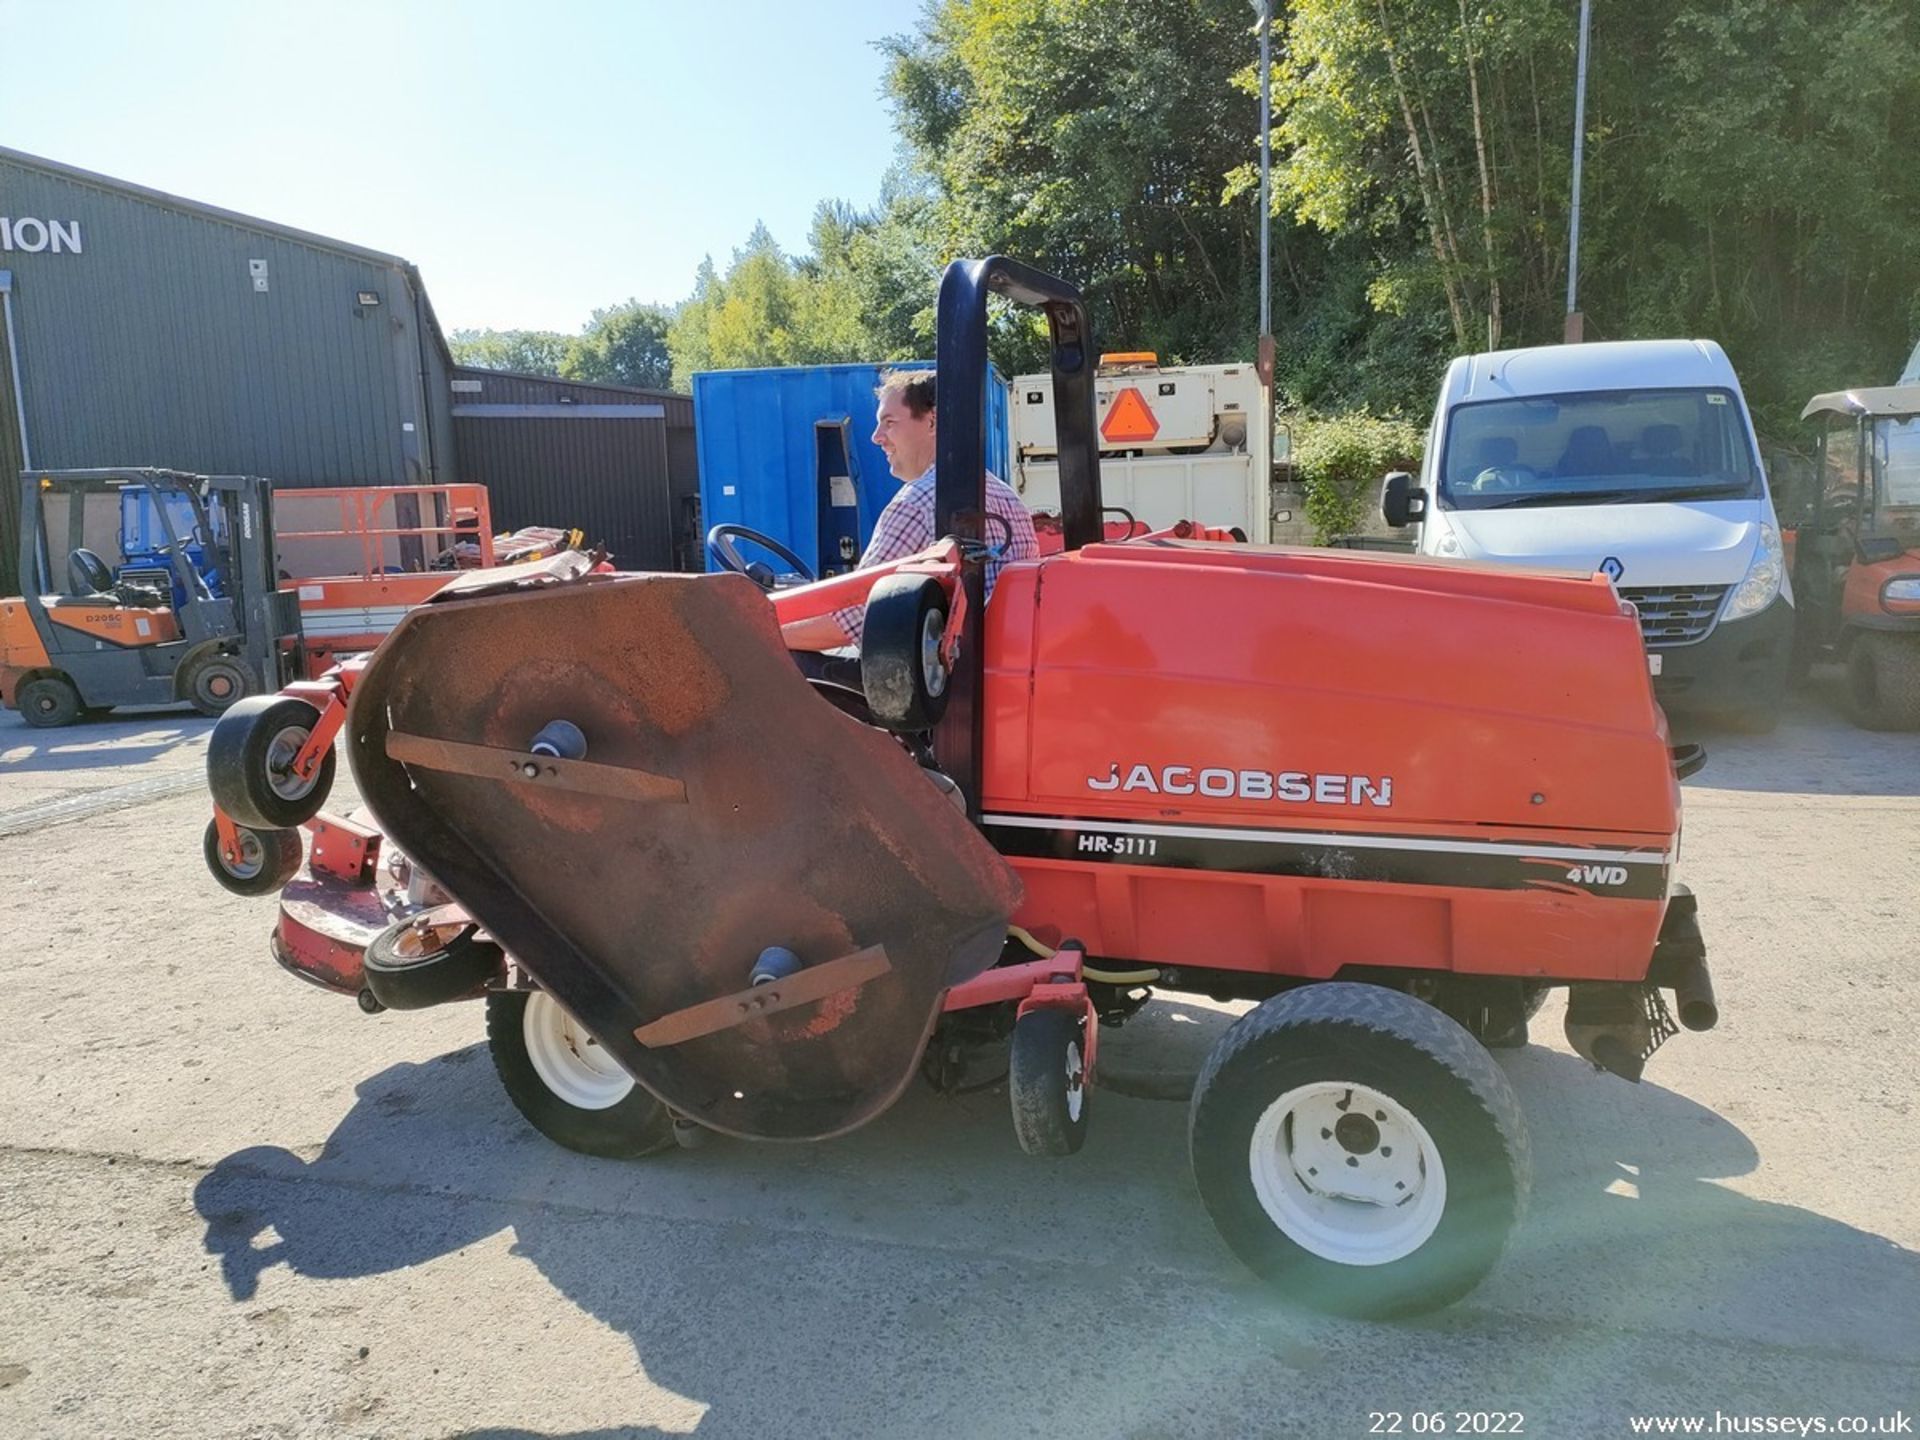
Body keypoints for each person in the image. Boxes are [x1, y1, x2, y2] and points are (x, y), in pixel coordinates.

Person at [780, 369, 1039, 650]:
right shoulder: (1006, 496)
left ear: (932, 422)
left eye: (889, 423)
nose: (876, 437)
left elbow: (852, 616)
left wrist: (761, 634)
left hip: (950, 675)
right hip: (994, 654)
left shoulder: (918, 501)